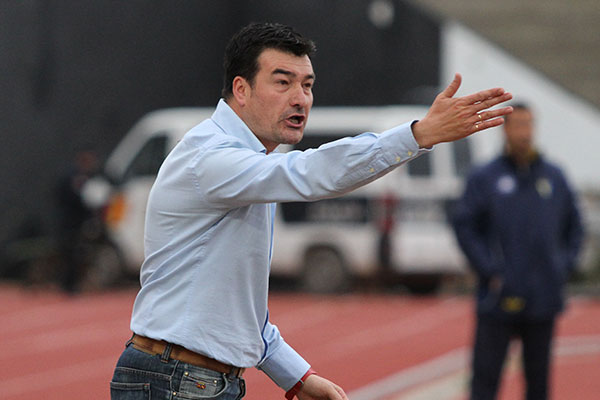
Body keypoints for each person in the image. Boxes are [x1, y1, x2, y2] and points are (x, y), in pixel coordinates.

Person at [110, 22, 513, 400]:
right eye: (282, 82)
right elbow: (310, 171)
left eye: (307, 84)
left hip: (193, 378)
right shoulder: (211, 157)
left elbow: (238, 308)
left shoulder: (247, 163)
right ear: (241, 89)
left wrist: (298, 376)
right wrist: (417, 135)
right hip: (174, 380)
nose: (300, 98)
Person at [452, 103, 584, 400]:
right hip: (499, 294)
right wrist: (489, 269)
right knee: (485, 381)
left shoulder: (554, 176)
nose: (525, 132)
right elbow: (464, 226)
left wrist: (562, 267)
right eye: (519, 125)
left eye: (529, 125)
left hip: (543, 296)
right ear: (506, 130)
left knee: (539, 384)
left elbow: (575, 227)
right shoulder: (485, 177)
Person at [55, 149, 99, 293]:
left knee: (76, 255)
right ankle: (67, 284)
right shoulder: (72, 177)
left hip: (77, 223)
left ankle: (71, 283)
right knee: (68, 255)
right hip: (68, 222)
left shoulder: (88, 178)